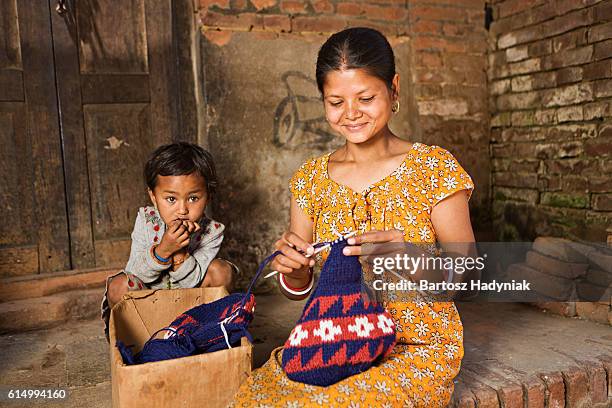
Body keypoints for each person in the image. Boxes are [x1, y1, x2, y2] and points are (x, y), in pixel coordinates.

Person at [232, 27, 475, 407]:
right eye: (335, 102)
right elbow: (301, 288)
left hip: (418, 346)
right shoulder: (310, 180)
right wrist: (293, 270)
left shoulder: (433, 168)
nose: (351, 114)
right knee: (254, 400)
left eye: (365, 97)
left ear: (393, 89)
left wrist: (410, 257)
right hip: (333, 342)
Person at [101, 142, 235, 340]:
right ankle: (138, 341)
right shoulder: (146, 221)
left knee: (222, 271)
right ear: (153, 196)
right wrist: (162, 251)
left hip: (192, 309)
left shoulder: (212, 231)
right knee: (119, 285)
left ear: (208, 197)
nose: (182, 210)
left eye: (193, 198)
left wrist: (180, 253)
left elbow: (193, 282)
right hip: (147, 314)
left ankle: (204, 336)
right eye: (171, 199)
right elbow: (135, 272)